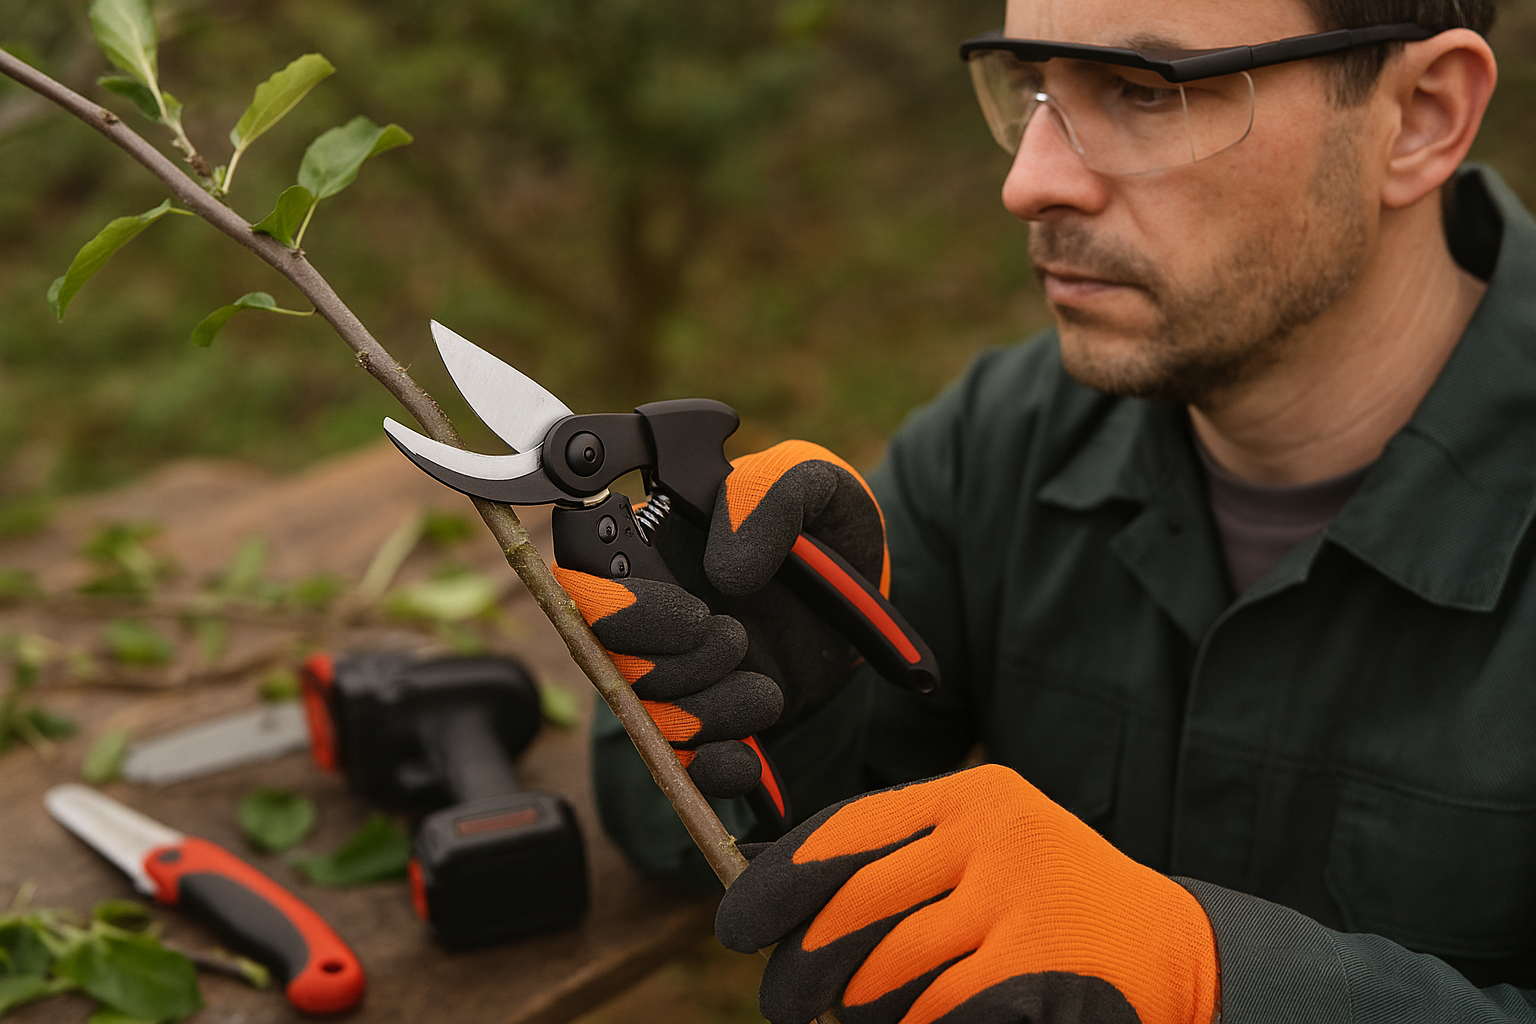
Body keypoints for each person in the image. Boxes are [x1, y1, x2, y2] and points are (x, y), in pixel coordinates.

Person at [558, 0, 1536, 1020]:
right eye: (1034, 87)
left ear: (1421, 114)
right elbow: (687, 843)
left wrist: (1217, 984)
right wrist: (765, 694)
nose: (1028, 183)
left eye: (1147, 94)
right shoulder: (1006, 440)